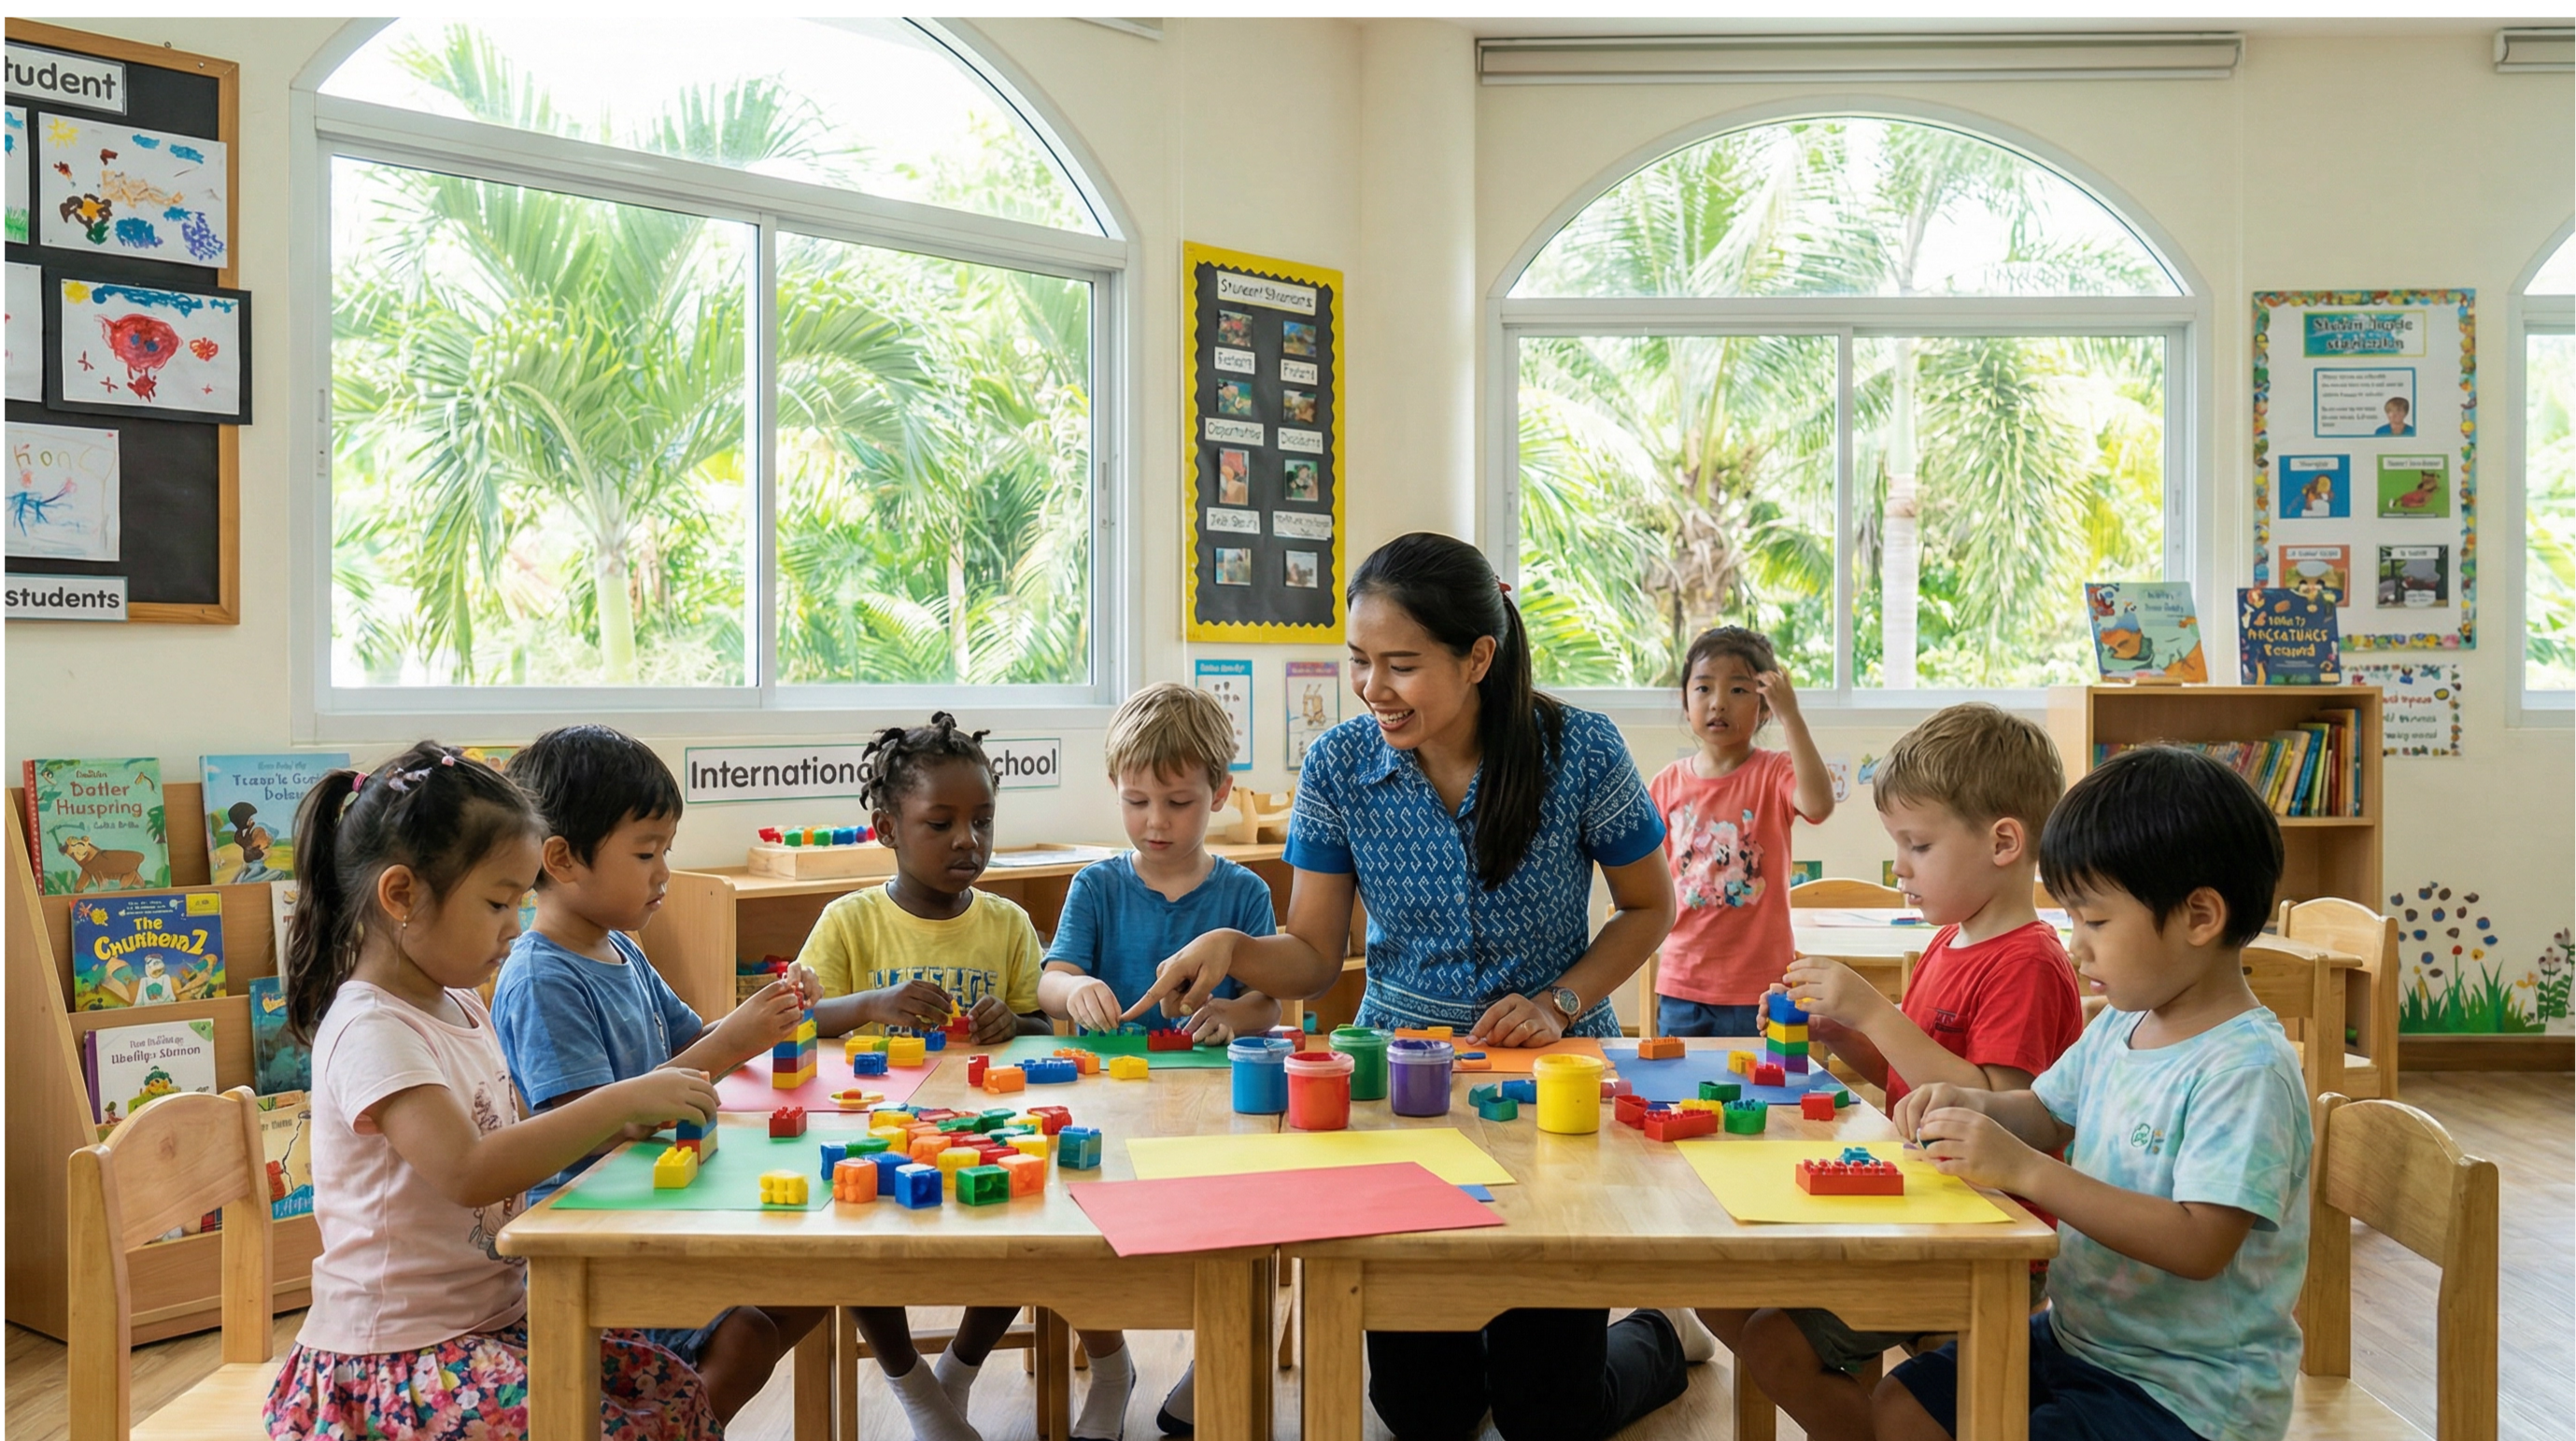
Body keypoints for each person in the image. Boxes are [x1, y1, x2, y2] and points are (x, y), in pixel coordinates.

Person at [1125, 532, 1689, 1441]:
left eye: (1400, 664)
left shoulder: (1578, 749)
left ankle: (1655, 1335)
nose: (1372, 687)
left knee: (1548, 1414)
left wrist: (1558, 1003)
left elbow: (1647, 907)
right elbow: (1311, 953)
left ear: (1477, 657)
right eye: (1358, 661)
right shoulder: (1341, 765)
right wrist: (1232, 944)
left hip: (1549, 1082)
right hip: (1400, 1090)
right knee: (1425, 1412)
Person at [262, 742, 723, 1440]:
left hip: (492, 1323)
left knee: (677, 1394)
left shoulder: (459, 1003)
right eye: (499, 901)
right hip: (396, 1358)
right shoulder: (370, 1027)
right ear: (401, 895)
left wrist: (626, 1116)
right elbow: (469, 1170)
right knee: (614, 1428)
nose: (517, 924)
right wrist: (621, 1101)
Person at [1879, 746, 2314, 1441]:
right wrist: (1974, 1108)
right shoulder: (2122, 1023)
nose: (2076, 947)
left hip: (2189, 1390)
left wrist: (2026, 1170)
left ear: (2200, 915)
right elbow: (2046, 1112)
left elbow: (2200, 1243)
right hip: (2079, 1342)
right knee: (1903, 1408)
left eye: (2097, 921)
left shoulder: (2245, 1069)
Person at [1698, 703, 2084, 1439]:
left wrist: (1875, 1011)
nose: (1899, 866)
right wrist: (1842, 1034)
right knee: (1721, 1290)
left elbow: (2001, 1102)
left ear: (2005, 841)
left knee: (1774, 1340)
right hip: (1921, 1205)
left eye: (1917, 844)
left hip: (1986, 1234)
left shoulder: (2028, 961)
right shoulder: (1951, 941)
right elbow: (1917, 1074)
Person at [489, 725, 826, 1420]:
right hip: (593, 1235)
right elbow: (598, 1124)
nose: (664, 872)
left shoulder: (621, 950)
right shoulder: (540, 975)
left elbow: (691, 1046)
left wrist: (765, 1016)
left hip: (662, 1199)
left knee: (816, 1277)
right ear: (561, 859)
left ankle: (673, 1420)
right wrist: (733, 1036)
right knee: (745, 1337)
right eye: (646, 852)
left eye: (665, 850)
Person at [1040, 682, 1284, 1437]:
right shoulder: (1098, 885)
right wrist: (1074, 990)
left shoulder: (1242, 891)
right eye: (1136, 800)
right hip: (1107, 1100)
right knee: (1081, 1238)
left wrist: (1231, 1012)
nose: (1155, 821)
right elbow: (1050, 977)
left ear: (1220, 791)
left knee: (1240, 1231)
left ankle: (1213, 1360)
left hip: (1215, 1103)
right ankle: (1110, 1364)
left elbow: (1269, 1004)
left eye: (1177, 802)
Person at [800, 713, 1051, 1441]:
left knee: (1029, 1226)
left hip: (986, 1124)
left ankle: (959, 1374)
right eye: (940, 823)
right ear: (887, 827)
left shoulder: (1006, 922)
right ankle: (912, 1385)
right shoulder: (850, 920)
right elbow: (794, 1020)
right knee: (855, 1238)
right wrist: (873, 1004)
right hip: (878, 1128)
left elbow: (1042, 1027)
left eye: (982, 821)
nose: (966, 840)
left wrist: (1016, 1023)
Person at [1649, 625, 1834, 1038]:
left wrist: (1792, 716)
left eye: (1737, 690)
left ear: (1765, 706)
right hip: (1683, 985)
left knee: (1760, 1096)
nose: (1718, 703)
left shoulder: (1775, 773)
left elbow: (1819, 804)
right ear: (1685, 701)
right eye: (1703, 689)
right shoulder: (1665, 785)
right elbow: (1650, 880)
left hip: (1761, 988)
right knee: (1683, 1098)